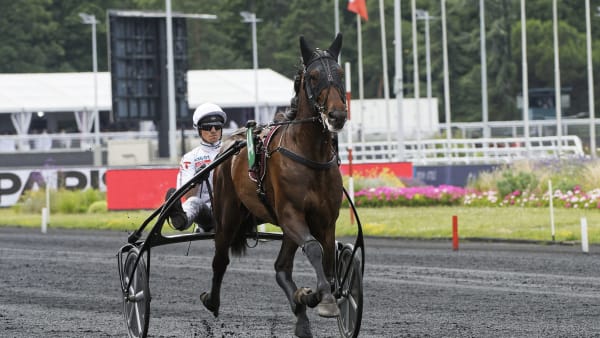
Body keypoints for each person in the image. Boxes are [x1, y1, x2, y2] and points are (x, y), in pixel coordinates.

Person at [166, 102, 227, 233]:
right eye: (207, 127)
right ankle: (181, 219)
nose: (213, 131)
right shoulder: (190, 158)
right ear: (199, 129)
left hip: (232, 210)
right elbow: (188, 197)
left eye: (217, 126)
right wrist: (196, 180)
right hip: (208, 215)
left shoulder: (234, 151)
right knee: (194, 202)